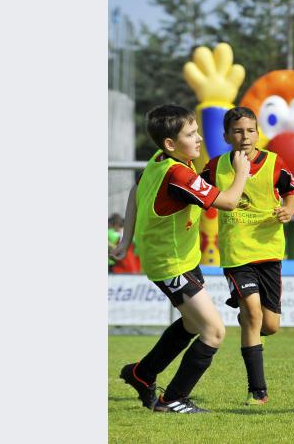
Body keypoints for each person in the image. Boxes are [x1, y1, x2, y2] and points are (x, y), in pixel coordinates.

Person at [111, 104, 250, 414]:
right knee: (213, 331)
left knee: (191, 323)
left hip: (180, 259)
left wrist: (125, 241)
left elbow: (136, 191)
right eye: (191, 134)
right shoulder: (178, 173)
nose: (198, 138)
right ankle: (173, 399)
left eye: (197, 130)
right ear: (170, 143)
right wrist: (242, 173)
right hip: (171, 263)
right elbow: (227, 201)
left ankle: (142, 373)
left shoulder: (160, 160)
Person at [200, 106, 294, 406]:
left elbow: (291, 190)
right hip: (236, 254)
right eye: (239, 131)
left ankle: (247, 317)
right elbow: (195, 193)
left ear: (258, 132)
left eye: (251, 130)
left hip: (269, 252)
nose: (246, 136)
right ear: (227, 135)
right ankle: (257, 391)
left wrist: (289, 209)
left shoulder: (274, 163)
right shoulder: (215, 167)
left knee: (270, 325)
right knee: (254, 315)